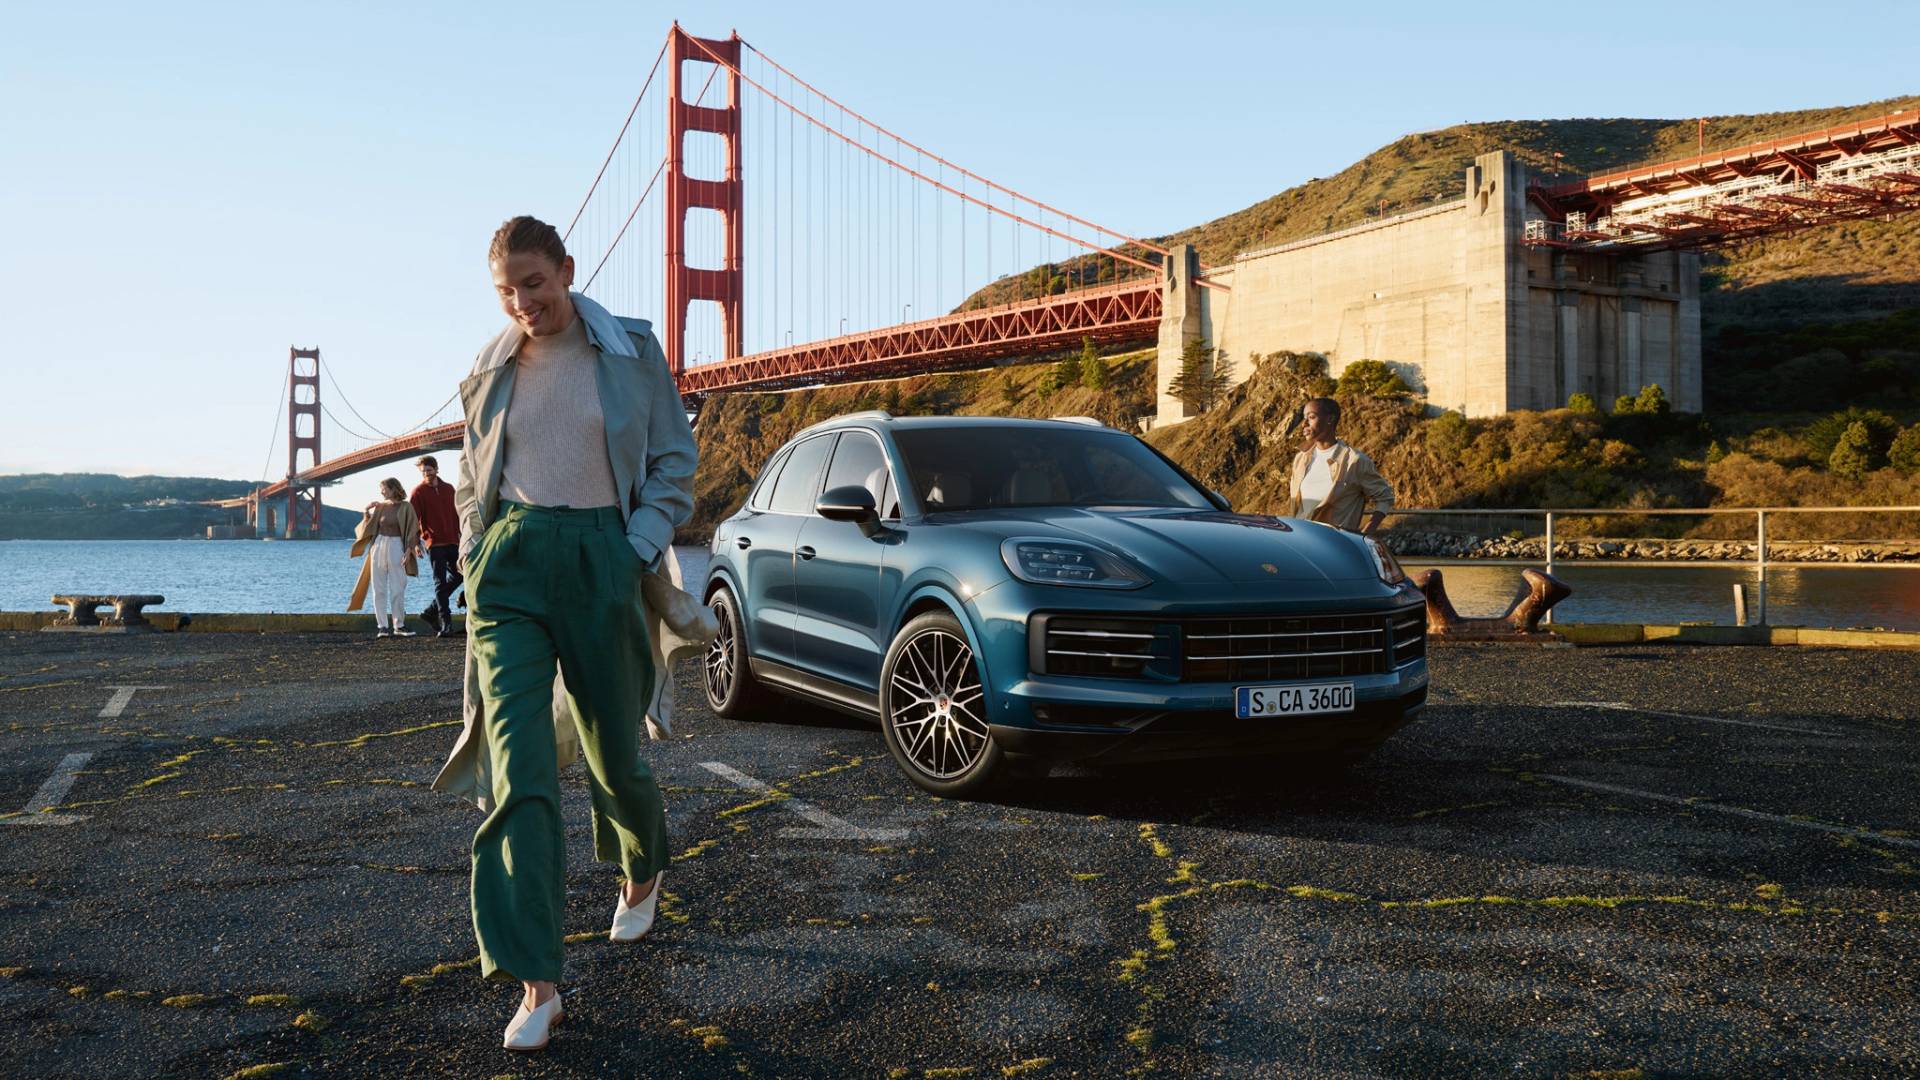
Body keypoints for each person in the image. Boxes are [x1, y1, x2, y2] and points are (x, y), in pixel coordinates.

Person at [428, 215, 697, 1052]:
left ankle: (641, 864)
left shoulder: (630, 353)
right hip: (509, 573)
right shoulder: (489, 366)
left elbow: (673, 463)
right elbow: (474, 475)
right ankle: (537, 982)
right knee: (520, 770)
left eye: (535, 284)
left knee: (614, 752)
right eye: (506, 292)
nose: (522, 304)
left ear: (568, 272)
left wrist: (636, 548)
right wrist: (475, 545)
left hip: (600, 559)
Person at [1285, 397, 1394, 534]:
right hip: (1300, 540)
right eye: (1304, 418)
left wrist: (1365, 535)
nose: (1304, 424)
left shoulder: (1354, 461)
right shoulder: (1300, 459)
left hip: (1335, 545)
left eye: (1311, 417)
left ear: (1330, 419)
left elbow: (1385, 497)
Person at [347, 478, 421, 637]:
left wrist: (409, 551)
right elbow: (368, 529)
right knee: (378, 589)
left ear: (394, 488)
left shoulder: (406, 507)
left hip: (397, 547)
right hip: (378, 546)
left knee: (398, 588)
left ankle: (399, 626)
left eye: (384, 488)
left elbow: (413, 530)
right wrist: (366, 512)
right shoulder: (380, 507)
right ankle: (382, 627)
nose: (381, 492)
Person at [409, 455, 463, 638]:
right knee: (440, 582)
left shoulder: (449, 489)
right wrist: (416, 543)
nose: (426, 473)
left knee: (460, 575)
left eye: (429, 470)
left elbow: (457, 514)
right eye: (423, 471)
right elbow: (414, 520)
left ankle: (431, 610)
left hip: (453, 541)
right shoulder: (418, 492)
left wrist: (461, 534)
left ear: (436, 469)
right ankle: (446, 624)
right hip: (434, 543)